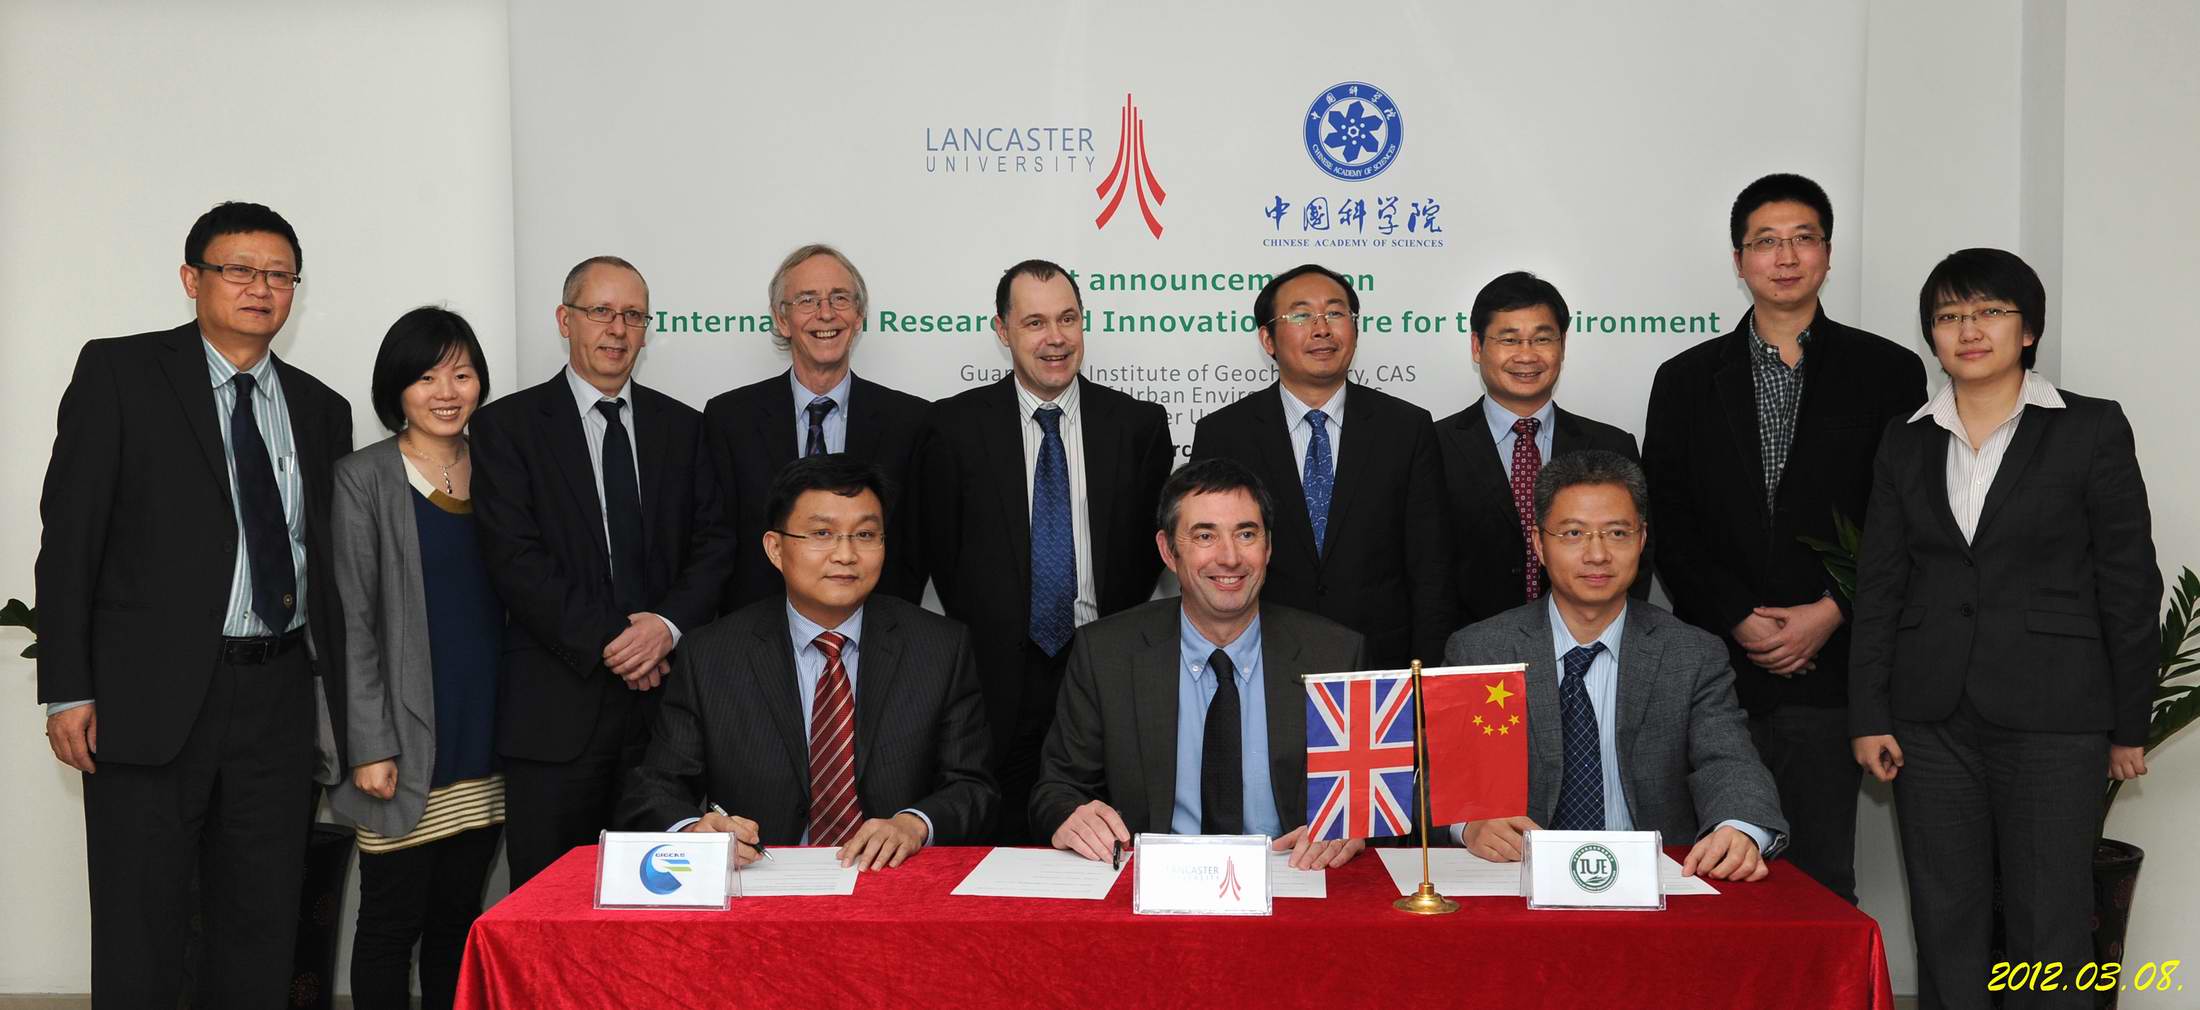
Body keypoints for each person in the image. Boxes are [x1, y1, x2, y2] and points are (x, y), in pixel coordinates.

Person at [36, 201, 353, 1007]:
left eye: (279, 275)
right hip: (148, 696)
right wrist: (68, 689)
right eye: (239, 269)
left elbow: (326, 565)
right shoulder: (121, 373)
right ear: (192, 278)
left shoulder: (321, 409)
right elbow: (70, 538)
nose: (261, 288)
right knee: (141, 922)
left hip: (278, 696)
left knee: (260, 922)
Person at [1850, 249, 2158, 1010]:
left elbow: (2128, 583)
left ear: (2027, 330)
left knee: (2050, 923)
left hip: (2056, 716)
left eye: (1989, 311)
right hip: (1929, 720)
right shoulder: (1905, 439)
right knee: (1944, 918)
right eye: (1950, 316)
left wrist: (2129, 725)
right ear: (1932, 335)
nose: (1969, 330)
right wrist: (1869, 714)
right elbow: (1881, 586)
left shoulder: (2090, 427)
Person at [1641, 173, 1925, 903]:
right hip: (1714, 670)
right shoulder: (1684, 379)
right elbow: (1666, 518)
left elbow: (1901, 517)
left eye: (1803, 238)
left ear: (1828, 252)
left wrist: (1833, 610)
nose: (1786, 256)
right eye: (1766, 242)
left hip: (1832, 671)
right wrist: (1737, 616)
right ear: (1740, 261)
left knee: (1821, 882)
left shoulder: (1889, 372)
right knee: (1703, 880)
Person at [469, 255, 736, 886]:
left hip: (666, 721)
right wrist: (617, 641)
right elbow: (515, 558)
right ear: (565, 320)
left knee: (660, 906)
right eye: (600, 312)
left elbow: (715, 544)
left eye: (633, 315)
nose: (617, 329)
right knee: (549, 902)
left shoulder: (686, 428)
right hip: (554, 715)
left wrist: (665, 627)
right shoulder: (506, 427)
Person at [619, 455, 996, 867]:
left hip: (892, 880)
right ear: (775, 548)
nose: (846, 555)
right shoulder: (711, 654)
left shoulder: (939, 647)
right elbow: (656, 788)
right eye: (822, 533)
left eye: (865, 535)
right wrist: (695, 831)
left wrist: (915, 823)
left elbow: (973, 787)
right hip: (761, 880)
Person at [914, 259, 1174, 843]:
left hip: (1104, 666)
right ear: (1002, 330)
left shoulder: (1138, 425)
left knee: (1107, 837)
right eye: (1034, 323)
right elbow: (938, 551)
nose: (1055, 338)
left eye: (1067, 319)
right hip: (992, 680)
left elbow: (1148, 554)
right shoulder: (953, 427)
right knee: (999, 842)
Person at [1445, 451, 1786, 883]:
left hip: (1654, 885)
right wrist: (1470, 823)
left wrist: (1739, 827)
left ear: (1642, 540)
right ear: (1539, 544)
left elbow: (1729, 761)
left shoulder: (1691, 654)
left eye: (1617, 533)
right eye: (1573, 533)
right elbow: (1440, 774)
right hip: (1518, 879)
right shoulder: (1481, 651)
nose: (1597, 554)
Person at [1030, 458, 1371, 869]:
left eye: (1246, 534)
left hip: (1292, 878)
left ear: (1268, 547)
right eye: (1205, 535)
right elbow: (1057, 789)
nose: (1229, 557)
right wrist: (1071, 815)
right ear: (1168, 551)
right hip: (1153, 885)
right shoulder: (1106, 654)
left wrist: (1351, 826)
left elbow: (1371, 804)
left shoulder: (1334, 655)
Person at [325, 308, 504, 1010]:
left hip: (485, 732)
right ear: (396, 388)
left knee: (458, 919)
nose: (446, 392)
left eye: (461, 374)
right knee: (390, 924)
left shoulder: (502, 467)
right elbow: (353, 622)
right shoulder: (363, 477)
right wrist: (368, 744)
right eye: (426, 377)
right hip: (401, 742)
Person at [1190, 263, 1457, 670]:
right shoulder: (1224, 434)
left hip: (1379, 664)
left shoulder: (1406, 428)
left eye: (1335, 313)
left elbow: (1431, 567)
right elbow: (1205, 558)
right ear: (1268, 339)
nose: (1321, 329)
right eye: (1300, 315)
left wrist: (1429, 674)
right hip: (1259, 660)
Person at [705, 244, 931, 610]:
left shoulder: (910, 421)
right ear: (782, 320)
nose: (826, 314)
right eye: (807, 300)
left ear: (858, 316)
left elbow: (918, 546)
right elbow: (717, 542)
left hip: (878, 633)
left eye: (840, 298)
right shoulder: (730, 419)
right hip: (758, 633)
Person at [1436, 271, 1648, 623]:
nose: (1526, 355)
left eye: (1542, 339)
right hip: (1466, 644)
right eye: (1509, 340)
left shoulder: (1611, 445)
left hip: (1587, 638)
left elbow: (1636, 556)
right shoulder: (1432, 446)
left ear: (1562, 346)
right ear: (1477, 347)